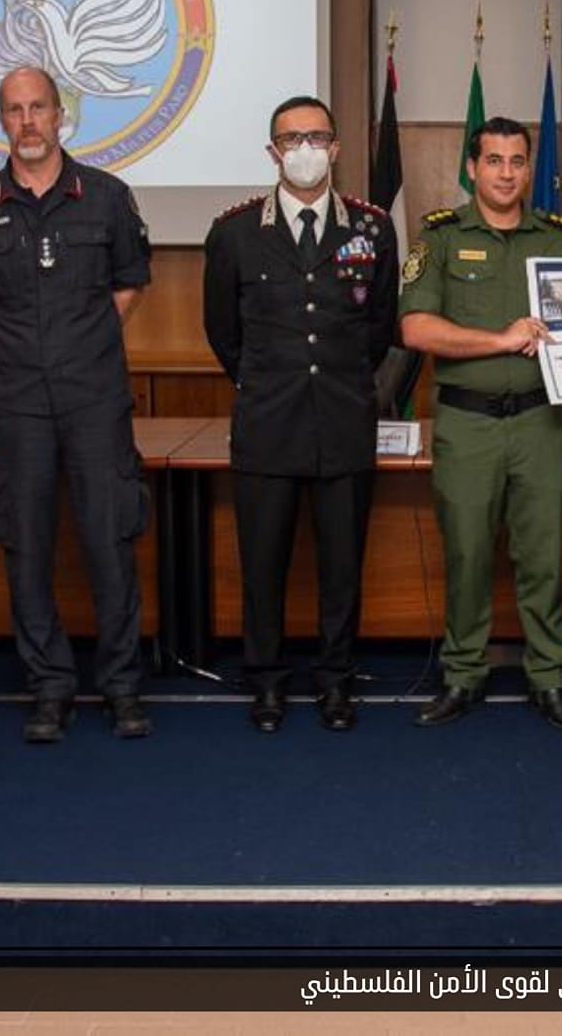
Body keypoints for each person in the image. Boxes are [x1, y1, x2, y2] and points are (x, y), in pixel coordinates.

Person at [0, 65, 154, 743]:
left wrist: (80, 342)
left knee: (109, 539)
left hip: (94, 396)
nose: (28, 120)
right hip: (16, 401)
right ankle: (50, 687)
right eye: (15, 110)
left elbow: (130, 281)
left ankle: (121, 686)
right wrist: (23, 349)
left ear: (60, 114)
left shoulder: (106, 196)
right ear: (1, 121)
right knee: (26, 543)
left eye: (38, 107)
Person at [203, 96, 399, 733]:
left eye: (316, 137)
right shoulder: (234, 233)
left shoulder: (372, 227)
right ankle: (266, 681)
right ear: (273, 152)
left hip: (343, 420)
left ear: (336, 147)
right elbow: (223, 332)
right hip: (267, 422)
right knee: (263, 565)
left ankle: (335, 681)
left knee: (342, 567)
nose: (305, 149)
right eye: (292, 139)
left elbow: (378, 328)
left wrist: (337, 381)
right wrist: (268, 382)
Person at [399, 117, 562, 733]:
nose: (506, 173)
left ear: (529, 169)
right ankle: (462, 674)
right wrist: (501, 340)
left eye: (517, 161)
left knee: (544, 559)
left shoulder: (556, 239)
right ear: (472, 168)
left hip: (541, 423)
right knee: (468, 554)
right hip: (468, 425)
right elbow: (416, 329)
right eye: (494, 161)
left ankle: (549, 677)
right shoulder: (441, 237)